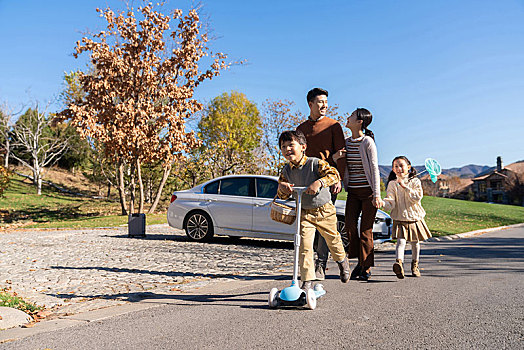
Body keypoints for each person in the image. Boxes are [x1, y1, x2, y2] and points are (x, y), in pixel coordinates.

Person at [277, 130, 350, 289]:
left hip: (324, 210)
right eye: (283, 146)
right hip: (304, 212)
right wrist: (282, 188)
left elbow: (334, 175)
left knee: (333, 239)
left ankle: (342, 261)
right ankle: (307, 281)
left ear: (303, 147)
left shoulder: (316, 163)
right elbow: (281, 195)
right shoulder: (286, 171)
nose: (287, 149)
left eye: (291, 145)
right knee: (304, 246)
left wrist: (319, 183)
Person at [296, 87, 346, 281]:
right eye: (320, 102)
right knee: (307, 226)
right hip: (305, 183)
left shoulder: (334, 126)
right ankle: (307, 267)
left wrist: (339, 178)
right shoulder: (301, 129)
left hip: (327, 182)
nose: (324, 105)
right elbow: (298, 156)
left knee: (325, 224)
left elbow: (341, 154)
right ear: (310, 104)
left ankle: (321, 265)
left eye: (326, 102)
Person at [333, 108, 383, 281]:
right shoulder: (346, 142)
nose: (348, 117)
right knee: (349, 226)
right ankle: (359, 261)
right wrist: (335, 157)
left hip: (369, 193)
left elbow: (375, 169)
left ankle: (366, 267)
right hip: (353, 192)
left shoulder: (367, 142)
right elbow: (336, 162)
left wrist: (377, 194)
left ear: (359, 121)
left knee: (366, 231)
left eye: (351, 115)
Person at [382, 156, 432, 278]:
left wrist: (405, 187)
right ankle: (399, 264)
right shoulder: (392, 184)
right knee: (400, 242)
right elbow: (391, 200)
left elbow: (417, 197)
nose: (399, 168)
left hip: (414, 217)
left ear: (408, 167)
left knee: (415, 243)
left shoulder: (415, 181)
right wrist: (383, 203)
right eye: (396, 166)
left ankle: (415, 266)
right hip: (400, 217)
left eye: (401, 165)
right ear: (393, 170)